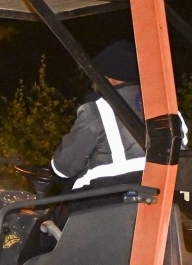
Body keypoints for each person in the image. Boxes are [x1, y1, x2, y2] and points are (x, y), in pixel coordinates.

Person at [49, 41, 148, 191]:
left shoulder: (96, 111)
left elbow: (63, 167)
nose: (93, 84)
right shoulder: (166, 107)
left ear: (108, 78)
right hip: (156, 194)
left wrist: (54, 165)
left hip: (107, 198)